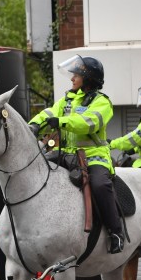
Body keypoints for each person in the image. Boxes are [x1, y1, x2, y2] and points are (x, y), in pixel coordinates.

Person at [28, 55, 123, 254]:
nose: (72, 78)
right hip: (67, 155)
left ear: (88, 78)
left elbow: (89, 123)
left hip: (93, 157)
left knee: (100, 185)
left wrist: (61, 122)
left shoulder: (102, 102)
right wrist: (35, 124)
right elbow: (50, 112)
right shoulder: (67, 99)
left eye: (76, 75)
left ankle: (116, 232)